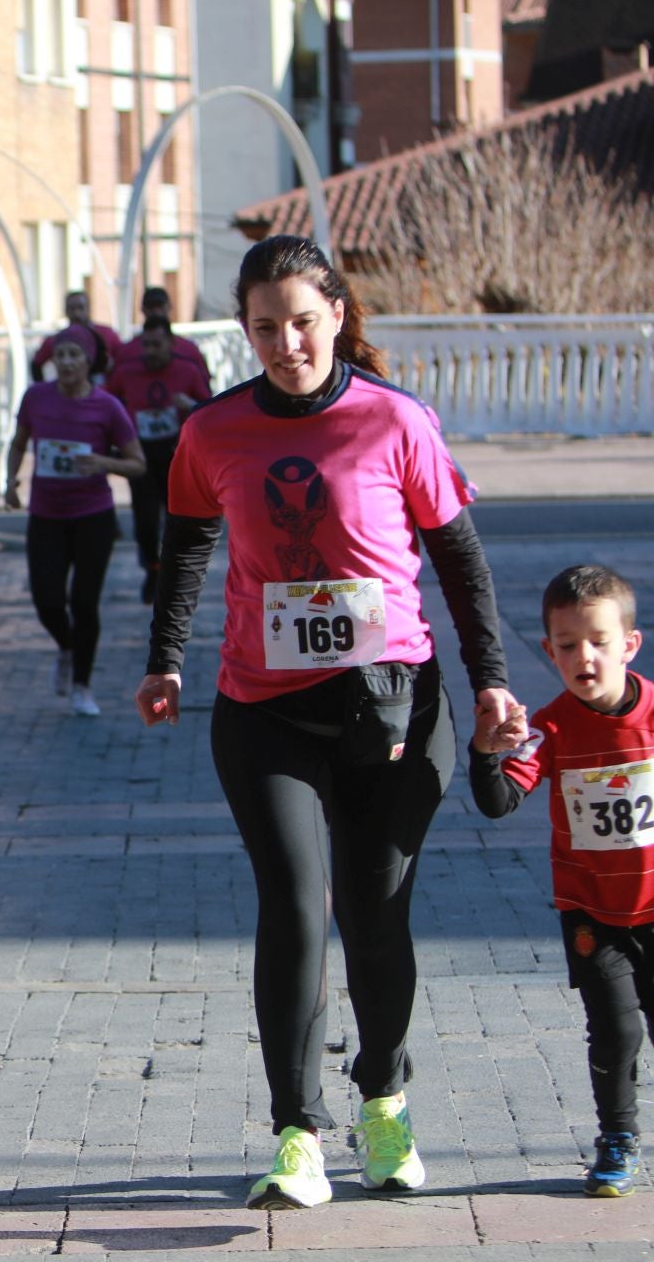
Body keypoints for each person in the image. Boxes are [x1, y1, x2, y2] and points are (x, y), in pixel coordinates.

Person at [134, 235, 522, 1210]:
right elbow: (185, 543)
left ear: (338, 314)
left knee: (376, 911)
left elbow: (461, 562)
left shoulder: (396, 421)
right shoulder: (215, 430)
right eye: (265, 327)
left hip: (392, 707)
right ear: (245, 330)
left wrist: (491, 680)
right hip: (265, 710)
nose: (287, 343)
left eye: (303, 321)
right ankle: (297, 1131)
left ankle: (385, 1099)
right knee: (297, 908)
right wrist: (165, 657)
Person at [470, 565, 651, 1197]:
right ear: (548, 651)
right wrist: (487, 749)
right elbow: (498, 803)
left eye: (599, 641)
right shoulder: (547, 728)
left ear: (630, 644)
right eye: (568, 645)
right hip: (591, 910)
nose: (585, 658)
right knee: (615, 1028)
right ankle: (618, 1140)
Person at [4, 323, 145, 717]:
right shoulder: (36, 399)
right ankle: (66, 646)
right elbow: (18, 442)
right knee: (47, 600)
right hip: (46, 516)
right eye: (59, 355)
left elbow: (138, 463)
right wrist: (10, 482)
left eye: (73, 355)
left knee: (84, 603)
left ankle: (83, 685)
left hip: (92, 517)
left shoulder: (106, 407)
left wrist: (103, 462)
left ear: (88, 362)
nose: (65, 363)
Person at [105, 315, 212, 604]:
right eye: (146, 345)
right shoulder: (127, 371)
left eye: (156, 344)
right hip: (141, 453)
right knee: (145, 522)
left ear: (170, 343)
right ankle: (153, 569)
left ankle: (174, 575)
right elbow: (106, 400)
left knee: (177, 518)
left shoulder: (186, 369)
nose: (150, 351)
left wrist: (189, 406)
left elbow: (210, 407)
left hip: (176, 453)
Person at [115, 285, 211, 376]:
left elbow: (205, 388)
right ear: (143, 310)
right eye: (151, 307)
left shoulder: (189, 350)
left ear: (168, 307)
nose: (156, 312)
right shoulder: (127, 352)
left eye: (160, 306)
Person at [28, 290, 121, 381]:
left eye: (80, 307)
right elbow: (36, 365)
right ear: (66, 311)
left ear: (88, 309)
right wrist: (46, 391)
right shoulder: (56, 339)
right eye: (72, 308)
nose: (76, 313)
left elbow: (122, 361)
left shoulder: (107, 334)